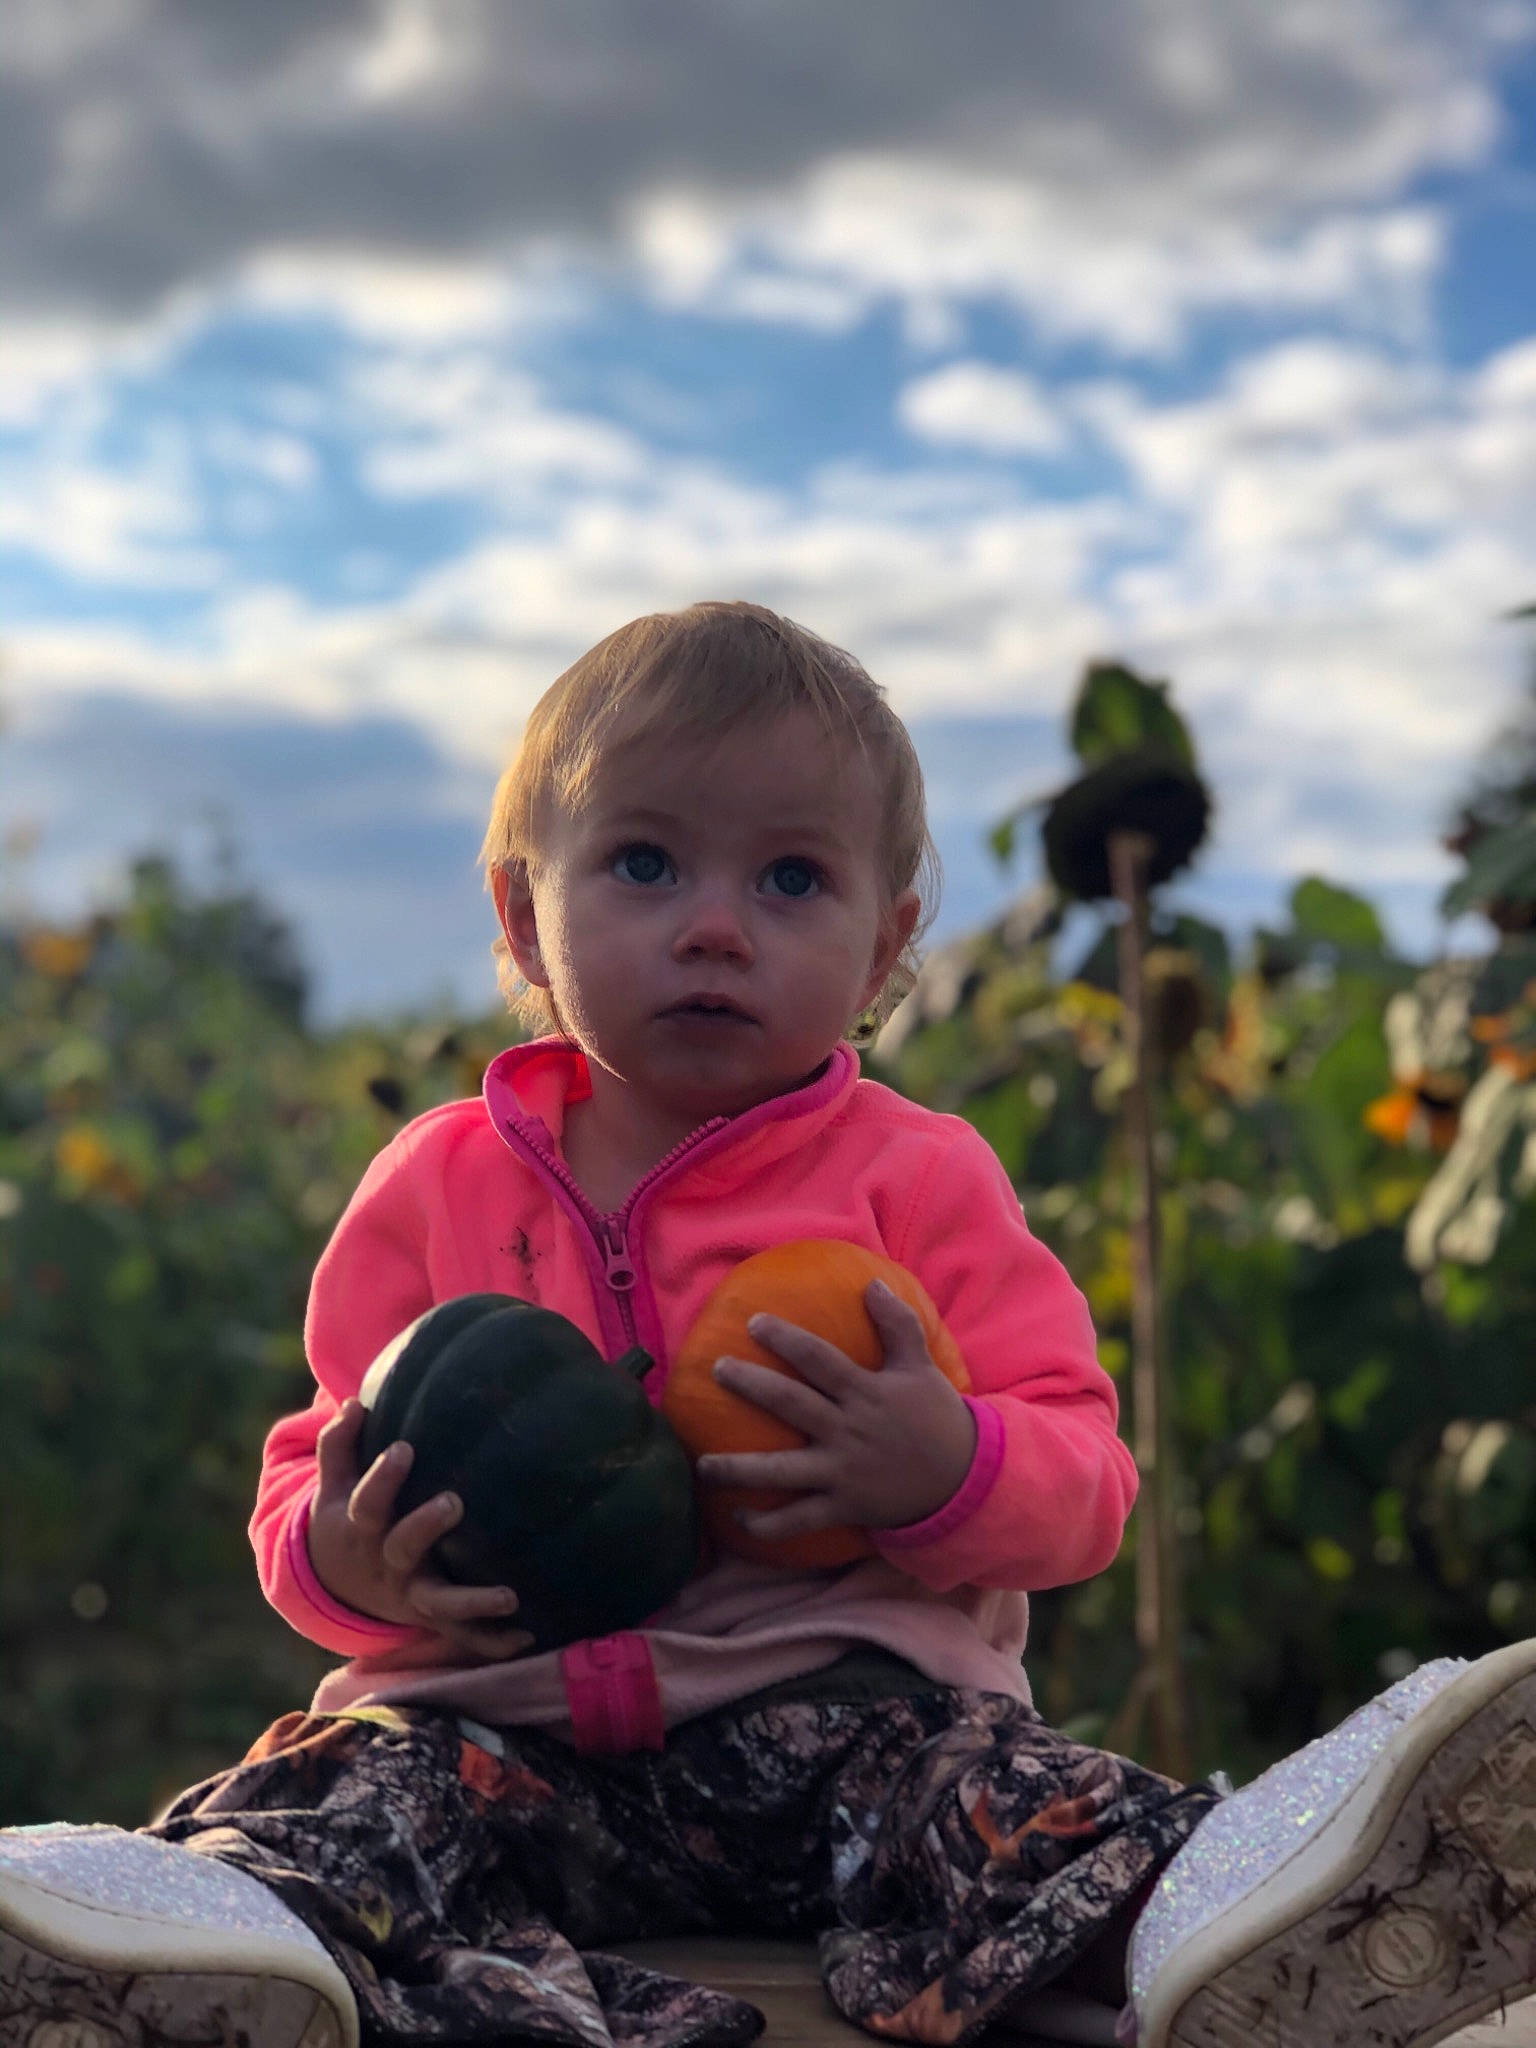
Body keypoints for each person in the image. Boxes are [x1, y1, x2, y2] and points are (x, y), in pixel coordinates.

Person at [2, 600, 1534, 2048]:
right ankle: (189, 1961)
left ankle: (1265, 1925)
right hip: (502, 1745)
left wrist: (945, 1467)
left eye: (791, 880)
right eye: (646, 864)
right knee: (333, 1807)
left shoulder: (917, 1179)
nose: (717, 927)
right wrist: (345, 1557)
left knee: (1016, 1806)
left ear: (882, 954)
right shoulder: (439, 1183)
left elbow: (1084, 1479)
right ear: (522, 918)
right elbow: (310, 1462)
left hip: (844, 1723)